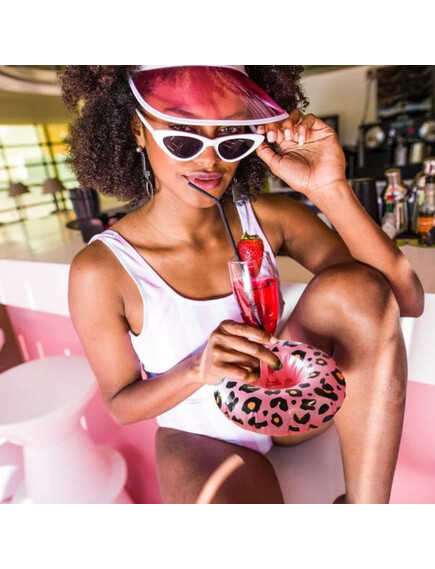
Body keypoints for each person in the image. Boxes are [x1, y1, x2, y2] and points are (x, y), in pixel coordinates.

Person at [61, 65, 424, 504]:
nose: (209, 160)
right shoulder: (101, 269)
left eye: (231, 136)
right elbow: (121, 404)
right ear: (138, 130)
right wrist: (197, 369)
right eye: (182, 136)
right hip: (199, 433)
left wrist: (330, 188)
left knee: (357, 286)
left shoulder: (269, 219)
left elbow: (402, 299)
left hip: (287, 399)